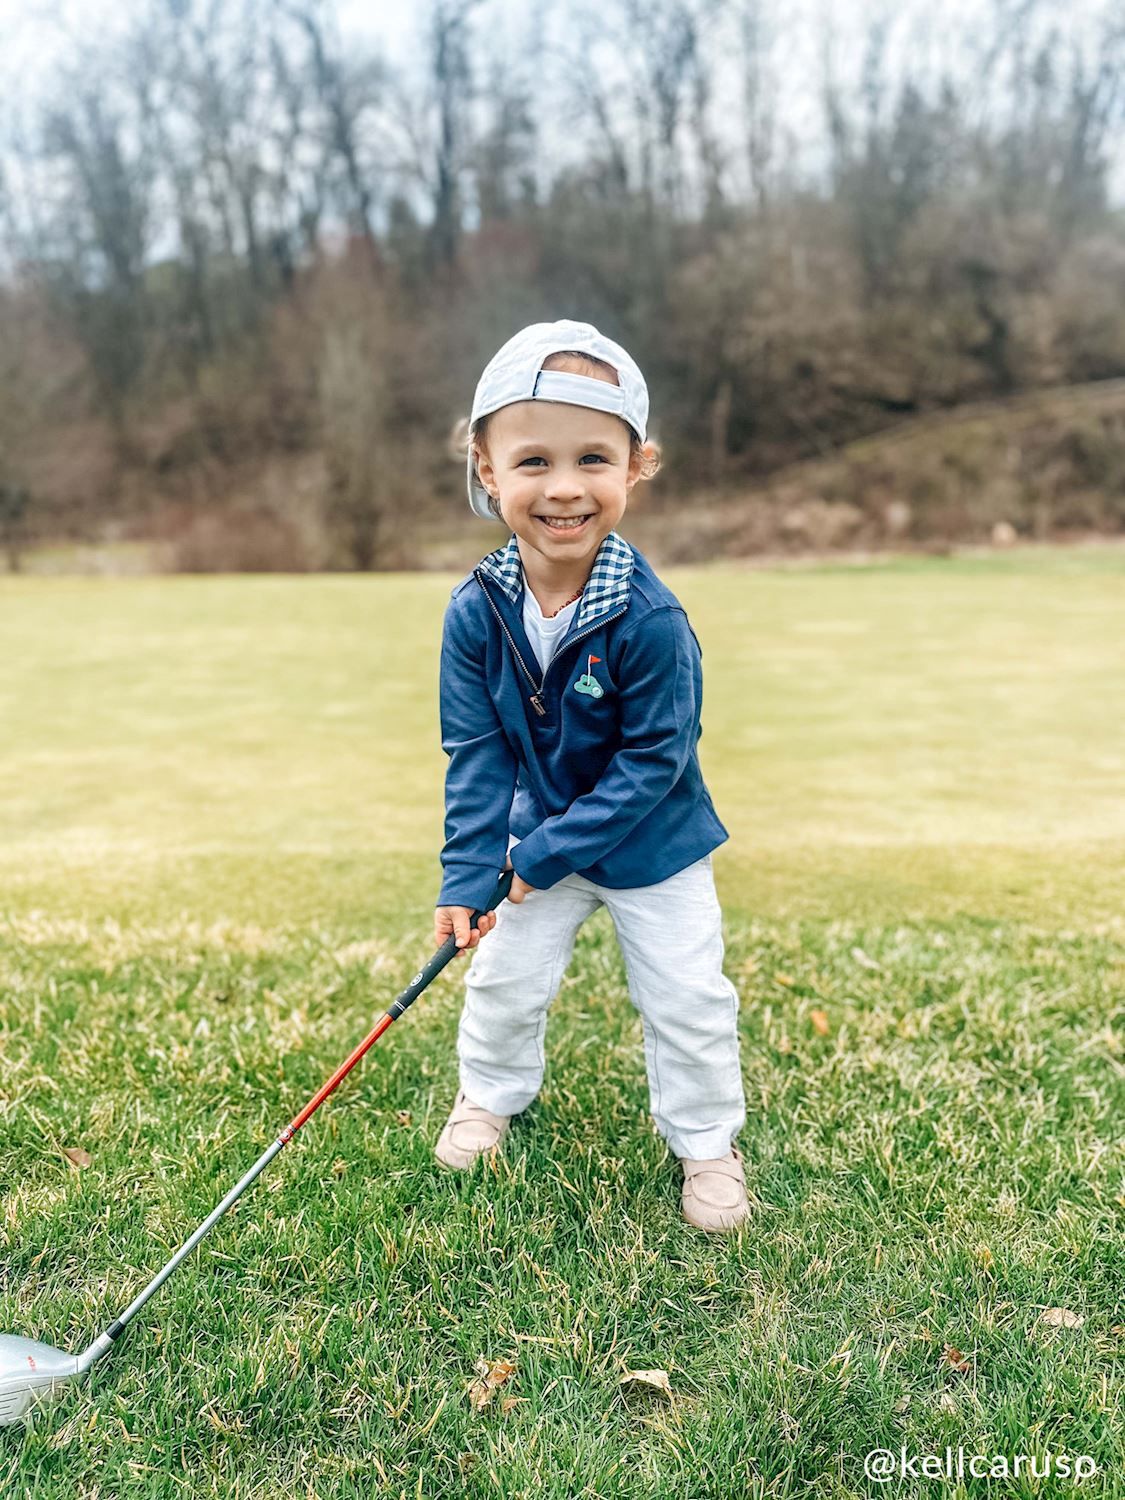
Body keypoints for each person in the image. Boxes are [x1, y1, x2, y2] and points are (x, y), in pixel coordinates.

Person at [432, 319, 749, 1232]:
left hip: (655, 846)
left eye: (592, 460)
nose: (563, 487)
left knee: (687, 998)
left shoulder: (650, 620)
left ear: (636, 467)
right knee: (502, 979)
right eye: (532, 461)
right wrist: (469, 874)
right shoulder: (476, 611)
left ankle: (705, 1143)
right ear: (487, 469)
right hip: (539, 841)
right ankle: (489, 1097)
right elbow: (478, 752)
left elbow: (654, 762)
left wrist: (543, 853)